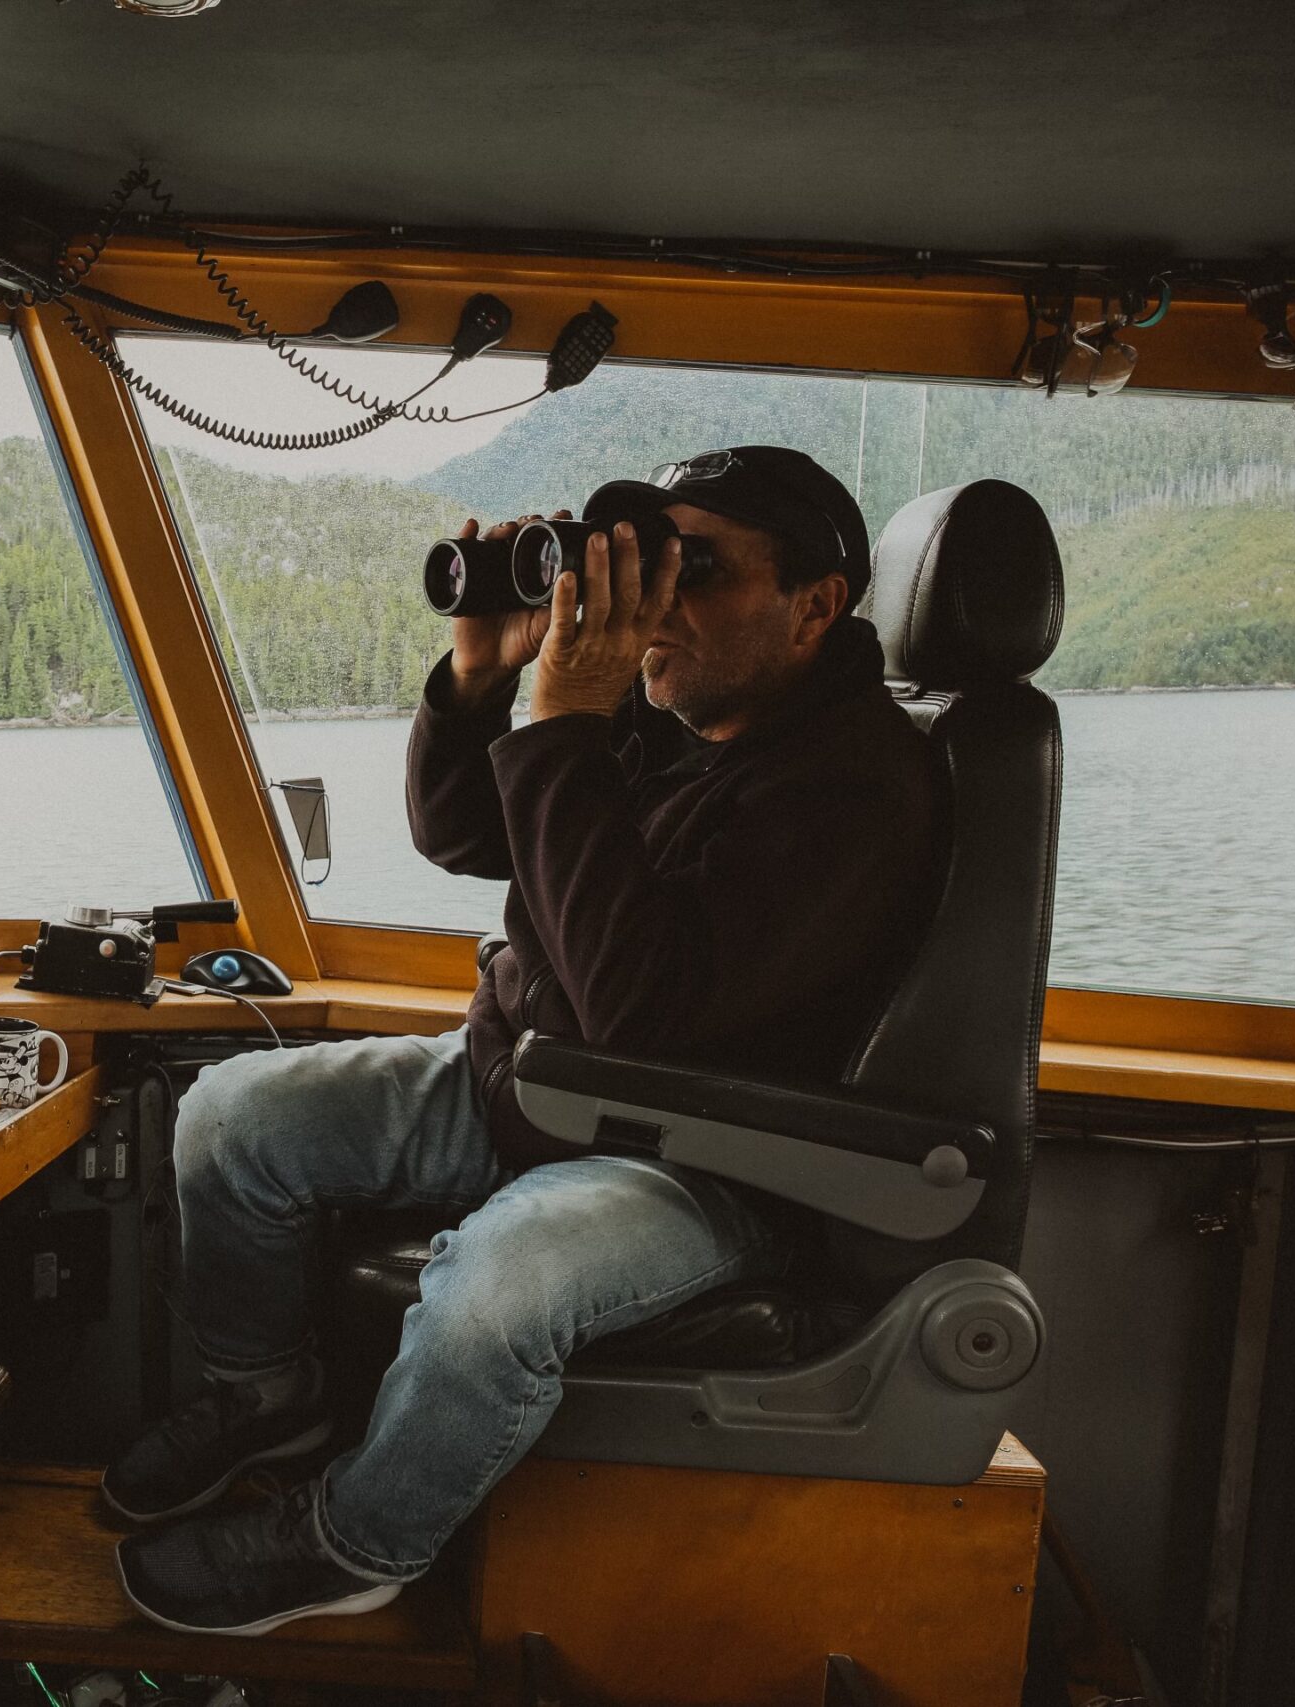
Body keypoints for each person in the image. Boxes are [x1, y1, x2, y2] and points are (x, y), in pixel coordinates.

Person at [108, 446, 946, 1637]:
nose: (652, 608)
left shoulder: (858, 786)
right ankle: (264, 1394)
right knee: (234, 1117)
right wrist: (481, 675)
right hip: (542, 1081)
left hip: (709, 1155)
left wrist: (565, 718)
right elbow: (465, 834)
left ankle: (360, 1538)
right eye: (647, 567)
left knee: (495, 1287)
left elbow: (641, 1017)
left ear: (815, 603)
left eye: (694, 569)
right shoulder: (689, 707)